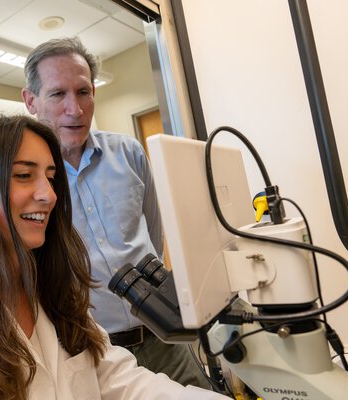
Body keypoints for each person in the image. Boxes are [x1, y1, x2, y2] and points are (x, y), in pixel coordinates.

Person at [0, 115, 227, 399]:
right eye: (24, 175)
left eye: (51, 177)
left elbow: (123, 382)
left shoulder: (52, 300)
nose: (49, 195)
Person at [21, 37, 211, 389]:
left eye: (83, 92)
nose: (74, 110)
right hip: (92, 352)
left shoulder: (129, 153)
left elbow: (153, 234)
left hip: (165, 336)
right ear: (31, 100)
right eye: (57, 94)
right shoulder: (26, 183)